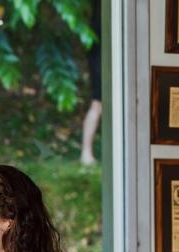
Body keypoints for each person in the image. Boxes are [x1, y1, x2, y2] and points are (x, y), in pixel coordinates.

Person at [80, 0, 102, 165]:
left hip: (100, 55)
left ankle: (86, 153)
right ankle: (85, 153)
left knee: (97, 105)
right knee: (97, 104)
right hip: (100, 57)